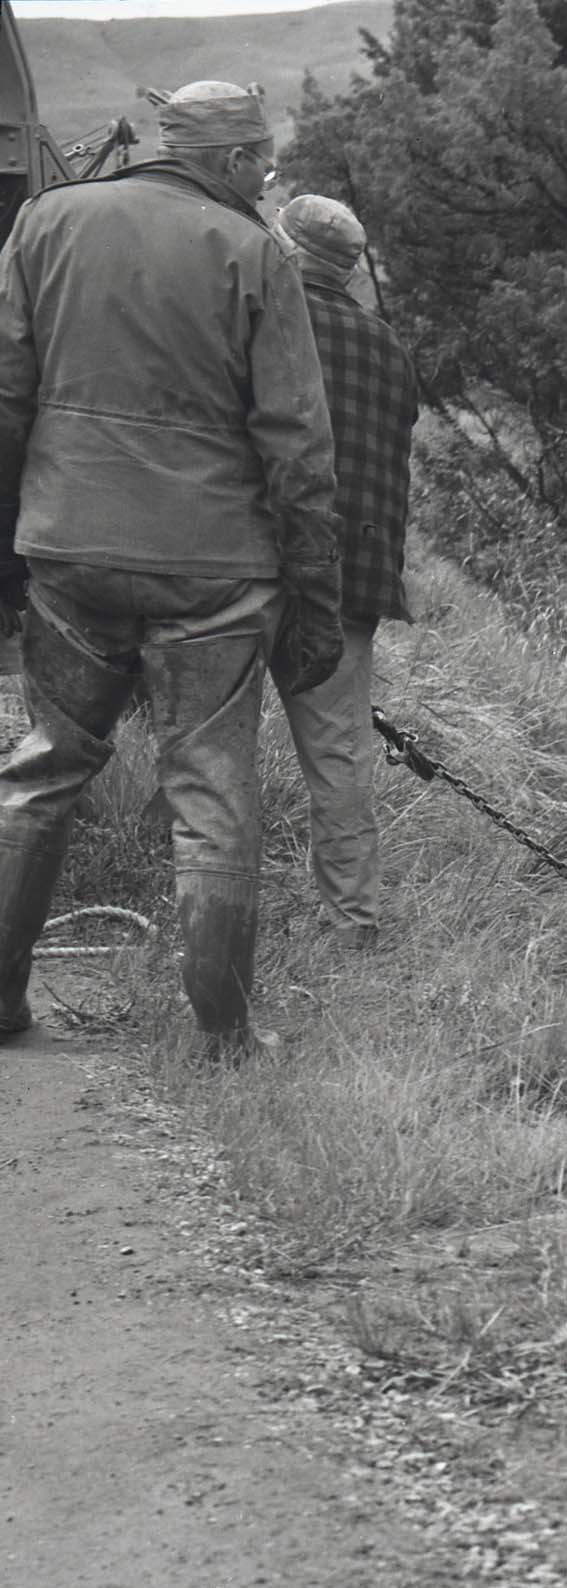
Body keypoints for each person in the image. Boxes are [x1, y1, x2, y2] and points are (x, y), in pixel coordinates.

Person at [0, 80, 342, 1054]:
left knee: (40, 771)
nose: (269, 178)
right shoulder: (255, 257)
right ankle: (223, 1037)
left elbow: (4, 397)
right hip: (215, 573)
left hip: (68, 547)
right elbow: (299, 454)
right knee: (214, 796)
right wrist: (315, 605)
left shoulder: (43, 222)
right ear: (227, 161)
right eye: (261, 160)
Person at [268, 194, 419, 936]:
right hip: (350, 575)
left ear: (287, 250)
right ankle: (354, 919)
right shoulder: (388, 345)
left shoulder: (262, 315)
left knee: (209, 741)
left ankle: (207, 912)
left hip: (249, 558)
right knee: (339, 756)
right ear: (349, 270)